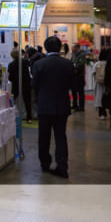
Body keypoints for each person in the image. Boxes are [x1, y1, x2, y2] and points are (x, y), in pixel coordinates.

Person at [31, 36, 73, 178]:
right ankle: (62, 166)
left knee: (44, 137)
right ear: (60, 48)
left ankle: (45, 163)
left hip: (44, 106)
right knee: (61, 136)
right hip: (62, 105)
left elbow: (34, 85)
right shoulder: (68, 64)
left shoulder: (39, 64)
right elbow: (71, 85)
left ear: (45, 47)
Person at [8, 49, 33, 122]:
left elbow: (10, 77)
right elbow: (29, 73)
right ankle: (29, 118)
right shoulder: (26, 62)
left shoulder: (11, 64)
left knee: (13, 100)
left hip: (15, 84)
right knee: (27, 101)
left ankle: (11, 116)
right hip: (26, 84)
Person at [92, 48, 111, 120]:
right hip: (107, 83)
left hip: (99, 84)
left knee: (99, 98)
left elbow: (93, 73)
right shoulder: (109, 63)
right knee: (108, 97)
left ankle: (101, 114)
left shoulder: (97, 64)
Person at [70, 43, 87, 111]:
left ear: (77, 48)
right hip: (73, 76)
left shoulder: (82, 55)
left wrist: (75, 68)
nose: (72, 49)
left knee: (80, 92)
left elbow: (81, 63)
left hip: (80, 75)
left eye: (73, 47)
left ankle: (81, 106)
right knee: (73, 91)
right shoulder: (73, 54)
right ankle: (75, 105)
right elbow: (71, 62)